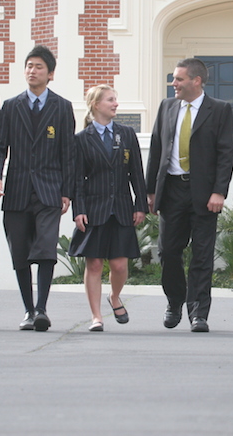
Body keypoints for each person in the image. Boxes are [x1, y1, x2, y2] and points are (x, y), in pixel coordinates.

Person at [0, 45, 75, 332]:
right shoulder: (11, 106)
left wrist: (67, 191)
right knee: (21, 253)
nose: (32, 71)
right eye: (28, 66)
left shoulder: (62, 107)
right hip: (17, 190)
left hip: (49, 191)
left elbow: (68, 153)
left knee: (47, 248)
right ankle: (28, 310)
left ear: (49, 73)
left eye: (38, 66)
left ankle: (42, 308)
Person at [146, 58, 233, 333]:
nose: (174, 84)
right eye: (174, 79)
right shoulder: (167, 107)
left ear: (196, 81)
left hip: (204, 194)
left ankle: (198, 312)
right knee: (168, 251)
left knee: (202, 255)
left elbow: (226, 153)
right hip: (172, 190)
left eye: (179, 79)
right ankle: (175, 301)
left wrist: (219, 191)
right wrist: (151, 191)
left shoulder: (220, 110)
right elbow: (156, 148)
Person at [69, 85, 147, 332]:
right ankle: (96, 316)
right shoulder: (81, 139)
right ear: (95, 105)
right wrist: (78, 209)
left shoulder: (126, 134)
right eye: (110, 100)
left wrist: (140, 205)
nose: (116, 104)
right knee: (93, 265)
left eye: (116, 99)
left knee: (120, 266)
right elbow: (76, 179)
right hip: (93, 209)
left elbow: (137, 173)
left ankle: (114, 297)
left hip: (122, 208)